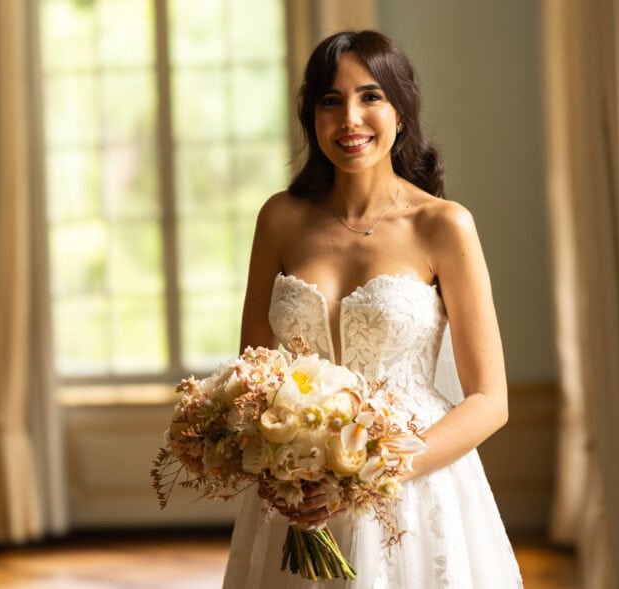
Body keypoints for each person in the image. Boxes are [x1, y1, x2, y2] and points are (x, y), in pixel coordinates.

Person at [222, 30, 523, 588]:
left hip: (412, 486)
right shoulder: (280, 219)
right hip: (298, 491)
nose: (350, 119)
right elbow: (253, 373)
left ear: (402, 111)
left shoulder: (443, 224)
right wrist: (288, 467)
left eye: (370, 97)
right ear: (312, 118)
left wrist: (368, 472)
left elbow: (489, 400)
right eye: (330, 102)